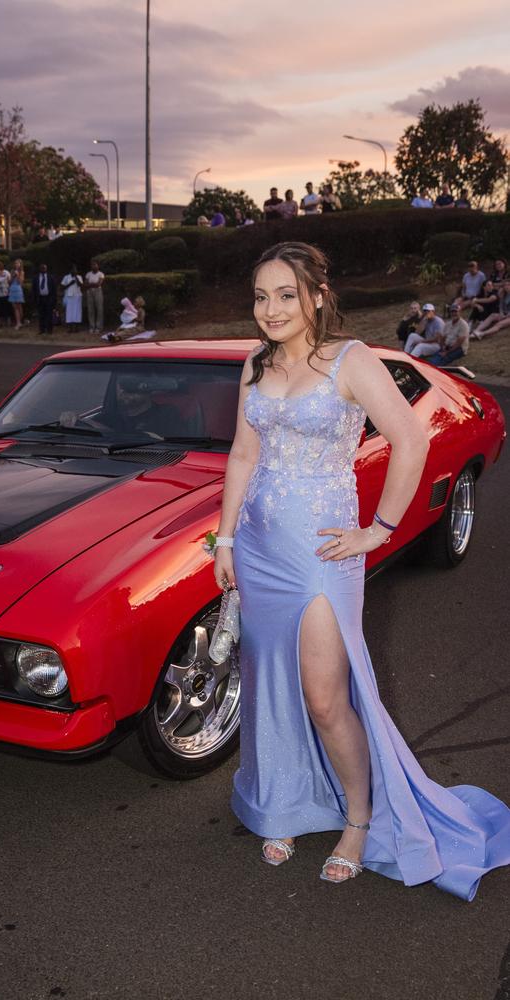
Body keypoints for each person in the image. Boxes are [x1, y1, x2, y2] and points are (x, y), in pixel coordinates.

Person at [212, 239, 510, 897]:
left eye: (286, 294)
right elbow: (241, 455)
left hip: (323, 554)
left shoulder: (352, 361)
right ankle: (282, 803)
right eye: (261, 296)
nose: (271, 309)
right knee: (270, 685)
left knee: (323, 695)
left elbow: (411, 440)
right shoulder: (255, 365)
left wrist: (379, 529)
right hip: (260, 547)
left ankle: (358, 815)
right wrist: (226, 542)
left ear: (317, 296)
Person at [31, 264, 57, 334]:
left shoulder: (51, 277)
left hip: (49, 298)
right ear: (40, 269)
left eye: (44, 268)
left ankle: (49, 330)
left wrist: (54, 300)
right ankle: (42, 330)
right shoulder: (36, 278)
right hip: (40, 298)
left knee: (49, 314)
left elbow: (54, 290)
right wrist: (34, 299)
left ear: (46, 269)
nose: (43, 269)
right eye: (42, 268)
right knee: (41, 315)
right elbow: (33, 289)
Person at [84, 260, 105, 334]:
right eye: (92, 265)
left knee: (99, 309)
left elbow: (99, 284)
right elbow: (85, 284)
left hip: (98, 292)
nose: (94, 266)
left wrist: (91, 284)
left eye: (95, 265)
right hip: (89, 292)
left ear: (98, 266)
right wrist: (93, 284)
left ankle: (99, 327)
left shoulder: (101, 274)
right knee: (90, 310)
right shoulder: (88, 274)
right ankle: (91, 327)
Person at [61, 265, 83, 331]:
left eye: (75, 270)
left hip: (77, 296)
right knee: (69, 312)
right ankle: (70, 328)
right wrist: (70, 284)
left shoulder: (79, 277)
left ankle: (76, 328)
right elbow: (62, 287)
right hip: (69, 296)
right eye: (73, 270)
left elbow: (81, 285)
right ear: (70, 270)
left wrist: (76, 278)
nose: (74, 271)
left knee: (77, 312)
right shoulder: (66, 277)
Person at [8, 259, 26, 330]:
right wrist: (13, 276)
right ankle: (18, 323)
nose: (16, 265)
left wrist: (18, 275)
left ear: (20, 265)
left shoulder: (22, 272)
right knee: (15, 307)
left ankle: (21, 321)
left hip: (18, 289)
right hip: (12, 289)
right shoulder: (12, 271)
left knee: (19, 307)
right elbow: (9, 282)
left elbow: (20, 283)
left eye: (18, 263)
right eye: (15, 263)